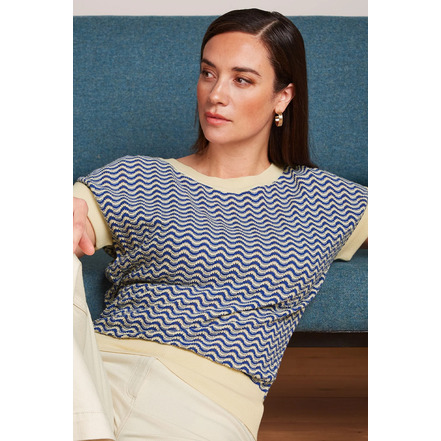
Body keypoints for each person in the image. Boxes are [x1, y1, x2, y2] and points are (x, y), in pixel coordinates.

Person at [73, 8, 368, 441]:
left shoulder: (325, 197)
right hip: (91, 381)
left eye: (242, 80)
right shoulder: (134, 176)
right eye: (208, 74)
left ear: (282, 97)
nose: (216, 94)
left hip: (203, 406)